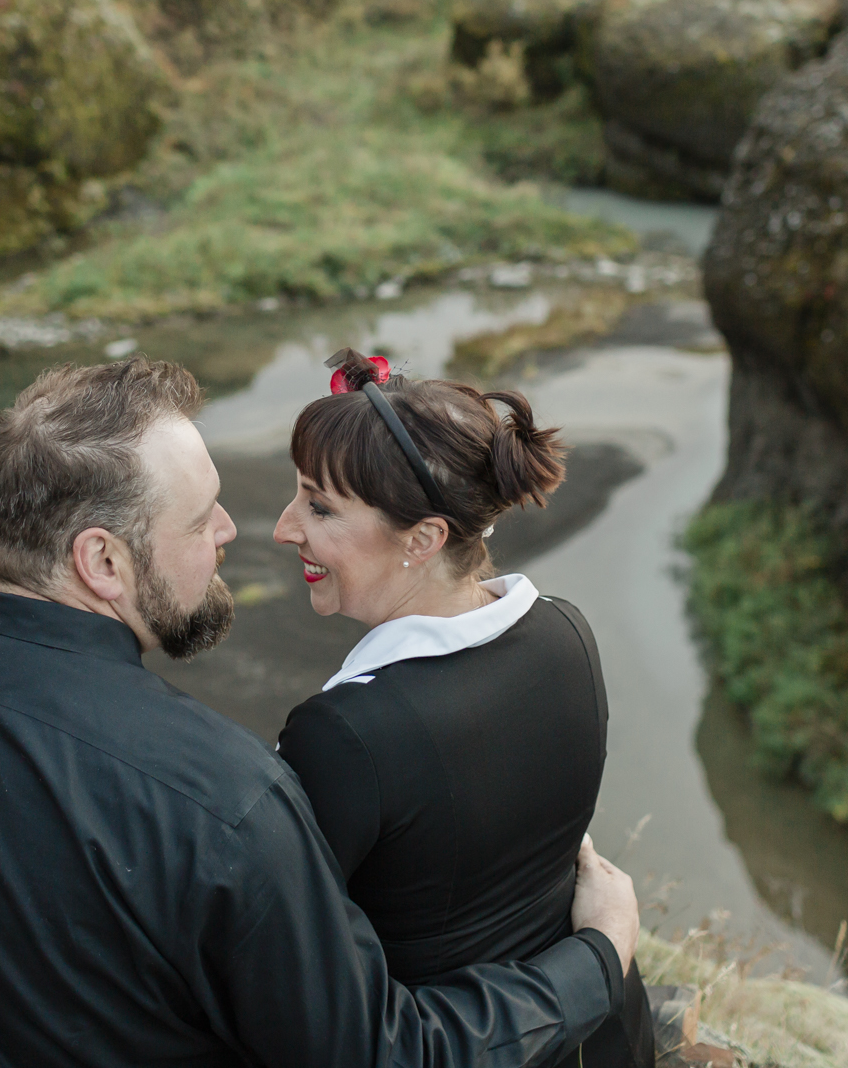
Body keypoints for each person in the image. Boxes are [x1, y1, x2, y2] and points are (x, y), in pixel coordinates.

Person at [0, 356, 641, 1068]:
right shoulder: (220, 799)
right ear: (103, 562)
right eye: (200, 520)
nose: (238, 531)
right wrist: (595, 961)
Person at [273, 349, 655, 1068]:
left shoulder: (346, 734)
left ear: (424, 538)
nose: (284, 528)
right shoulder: (567, 633)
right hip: (600, 1038)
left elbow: (284, 959)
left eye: (320, 507)